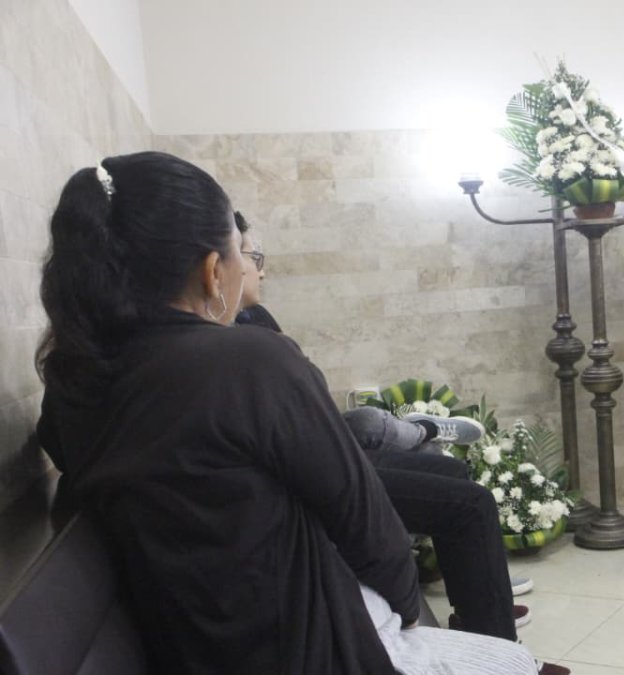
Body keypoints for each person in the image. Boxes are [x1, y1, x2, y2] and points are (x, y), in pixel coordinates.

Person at [35, 151, 540, 674]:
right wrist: (410, 616)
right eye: (241, 254)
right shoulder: (248, 360)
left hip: (189, 649)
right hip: (309, 649)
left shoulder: (70, 386)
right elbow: (367, 523)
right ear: (213, 271)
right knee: (514, 663)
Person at [232, 213, 541, 635]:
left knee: (449, 469)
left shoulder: (256, 321)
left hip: (324, 453)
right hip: (311, 477)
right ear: (218, 263)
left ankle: (478, 613)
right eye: (253, 255)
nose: (261, 269)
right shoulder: (236, 348)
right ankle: (497, 649)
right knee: (468, 504)